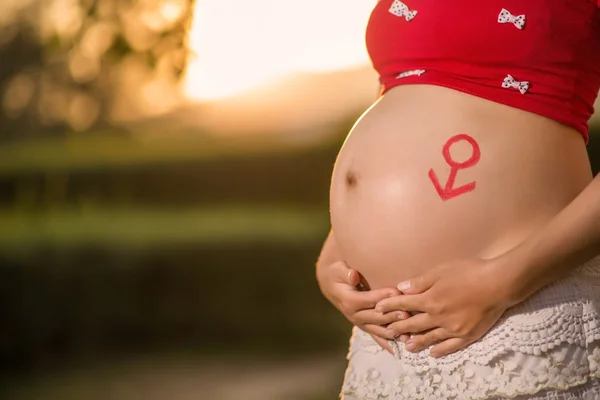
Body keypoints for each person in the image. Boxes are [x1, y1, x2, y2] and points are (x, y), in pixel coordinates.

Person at [316, 1, 600, 399]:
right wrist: (337, 251)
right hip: (387, 333)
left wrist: (503, 281)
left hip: (517, 310)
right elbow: (405, 94)